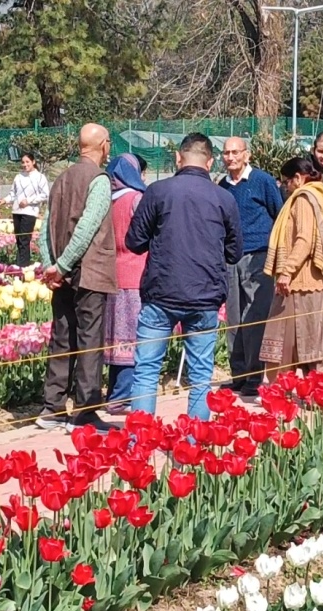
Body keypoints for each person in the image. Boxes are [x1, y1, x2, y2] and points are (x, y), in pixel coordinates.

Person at [126, 133, 242, 420]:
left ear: (178, 158)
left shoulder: (158, 191)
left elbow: (134, 241)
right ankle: (194, 445)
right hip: (205, 295)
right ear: (211, 162)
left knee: (146, 371)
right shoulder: (224, 198)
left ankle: (140, 446)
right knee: (201, 375)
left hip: (161, 293)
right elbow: (234, 252)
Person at [36, 124, 118, 433]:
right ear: (103, 146)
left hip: (61, 275)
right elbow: (87, 227)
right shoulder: (97, 180)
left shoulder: (62, 178)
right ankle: (85, 412)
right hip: (88, 274)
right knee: (89, 341)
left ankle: (52, 407)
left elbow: (45, 228)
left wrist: (51, 265)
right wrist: (64, 264)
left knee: (61, 337)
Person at [259, 157, 323, 375]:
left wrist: (286, 271)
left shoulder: (304, 198)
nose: (285, 187)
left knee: (290, 341)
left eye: (286, 182)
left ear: (297, 178)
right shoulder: (322, 198)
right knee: (315, 344)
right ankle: (316, 397)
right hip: (319, 281)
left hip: (303, 282)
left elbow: (304, 240)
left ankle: (284, 395)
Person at [218, 136, 284, 397]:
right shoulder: (222, 185)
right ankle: (238, 375)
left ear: (247, 155)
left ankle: (254, 377)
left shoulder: (263, 181)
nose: (230, 157)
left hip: (259, 256)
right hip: (231, 257)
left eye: (235, 152)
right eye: (226, 153)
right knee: (233, 318)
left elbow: (279, 215)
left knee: (254, 317)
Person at [103, 154, 149, 414]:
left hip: (112, 273)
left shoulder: (108, 201)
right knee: (131, 337)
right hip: (136, 273)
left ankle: (114, 391)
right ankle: (122, 395)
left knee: (116, 336)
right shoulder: (136, 200)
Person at [4, 152, 51, 268]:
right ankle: (20, 265)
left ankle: (22, 267)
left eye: (27, 162)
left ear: (33, 162)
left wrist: (28, 200)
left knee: (24, 240)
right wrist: (5, 200)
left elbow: (45, 194)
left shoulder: (40, 177)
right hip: (17, 211)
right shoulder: (18, 177)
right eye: (23, 162)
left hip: (29, 212)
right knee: (19, 240)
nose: (25, 165)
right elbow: (13, 194)